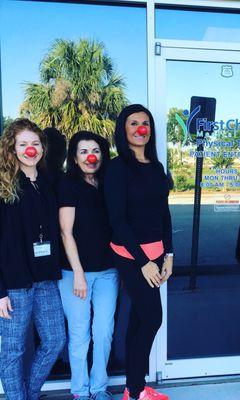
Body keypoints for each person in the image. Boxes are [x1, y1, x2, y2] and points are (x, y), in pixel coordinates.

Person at [104, 104, 173, 400]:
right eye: (134, 123)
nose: (140, 128)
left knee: (139, 320)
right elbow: (117, 220)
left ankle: (134, 389)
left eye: (145, 123)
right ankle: (135, 389)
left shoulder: (156, 167)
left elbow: (164, 214)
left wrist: (168, 255)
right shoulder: (117, 168)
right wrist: (144, 262)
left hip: (156, 256)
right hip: (131, 257)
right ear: (124, 129)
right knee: (152, 318)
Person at [0, 118, 66, 399]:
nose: (31, 149)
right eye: (23, 144)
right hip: (14, 283)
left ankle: (28, 393)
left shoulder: (48, 182)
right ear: (12, 149)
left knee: (55, 340)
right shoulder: (4, 186)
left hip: (46, 279)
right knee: (13, 350)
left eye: (35, 143)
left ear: (42, 147)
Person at [57, 131, 118, 400]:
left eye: (95, 150)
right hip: (74, 274)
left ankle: (99, 388)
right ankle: (80, 392)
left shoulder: (108, 183)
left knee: (104, 332)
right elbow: (65, 233)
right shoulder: (68, 185)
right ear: (74, 156)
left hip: (108, 272)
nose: (90, 156)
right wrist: (79, 273)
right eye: (83, 151)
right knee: (79, 334)